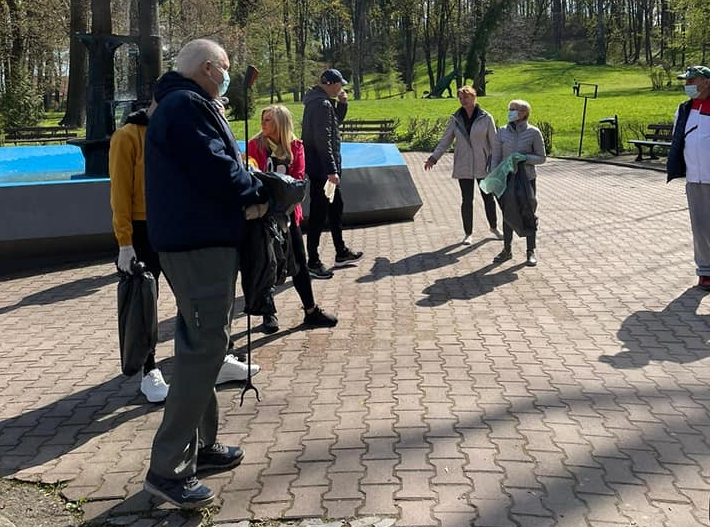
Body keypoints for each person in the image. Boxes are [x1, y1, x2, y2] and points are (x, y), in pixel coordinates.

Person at [142, 38, 267, 509]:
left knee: (202, 340)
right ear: (210, 68)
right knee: (204, 347)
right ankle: (168, 468)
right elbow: (217, 167)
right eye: (227, 69)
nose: (229, 77)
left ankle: (204, 445)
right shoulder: (187, 104)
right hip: (198, 244)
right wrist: (262, 191)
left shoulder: (175, 103)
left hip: (191, 240)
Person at [247, 105, 339, 333]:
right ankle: (268, 314)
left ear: (280, 123)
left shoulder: (296, 147)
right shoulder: (254, 145)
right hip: (262, 217)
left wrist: (276, 188)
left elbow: (297, 181)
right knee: (266, 264)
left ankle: (311, 310)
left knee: (299, 262)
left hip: (289, 215)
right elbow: (252, 175)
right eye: (263, 119)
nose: (263, 124)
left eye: (268, 120)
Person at [109, 98, 170, 404]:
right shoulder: (128, 136)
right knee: (146, 302)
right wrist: (125, 241)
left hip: (175, 223)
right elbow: (119, 191)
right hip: (142, 229)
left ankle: (215, 356)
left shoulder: (175, 132)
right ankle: (149, 369)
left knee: (193, 293)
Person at [302, 68, 363, 279]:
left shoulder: (320, 102)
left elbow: (333, 124)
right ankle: (313, 261)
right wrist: (331, 170)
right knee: (319, 213)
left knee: (336, 207)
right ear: (329, 84)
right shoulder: (321, 104)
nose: (341, 88)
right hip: (322, 169)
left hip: (321, 166)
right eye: (339, 84)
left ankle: (341, 252)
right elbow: (323, 139)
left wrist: (343, 105)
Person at [424, 85, 501, 245]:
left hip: (483, 165)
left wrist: (496, 164)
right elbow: (446, 140)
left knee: (488, 198)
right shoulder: (455, 119)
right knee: (467, 200)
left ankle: (494, 227)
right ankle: (468, 234)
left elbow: (495, 143)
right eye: (460, 98)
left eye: (466, 97)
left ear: (474, 97)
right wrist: (434, 158)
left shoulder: (486, 118)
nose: (463, 100)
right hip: (463, 164)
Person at [667, 65, 710, 291]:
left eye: (691, 81)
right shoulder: (685, 109)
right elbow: (678, 139)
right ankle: (705, 272)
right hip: (695, 178)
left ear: (705, 82)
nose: (687, 86)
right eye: (686, 81)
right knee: (701, 226)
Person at [491, 99, 546, 266]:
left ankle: (530, 251)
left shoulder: (533, 132)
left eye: (514, 109)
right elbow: (496, 156)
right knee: (508, 213)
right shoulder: (501, 132)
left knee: (528, 212)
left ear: (524, 113)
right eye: (510, 109)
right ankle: (507, 249)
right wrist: (494, 176)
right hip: (507, 178)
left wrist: (525, 158)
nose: (511, 112)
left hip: (526, 179)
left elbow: (542, 158)